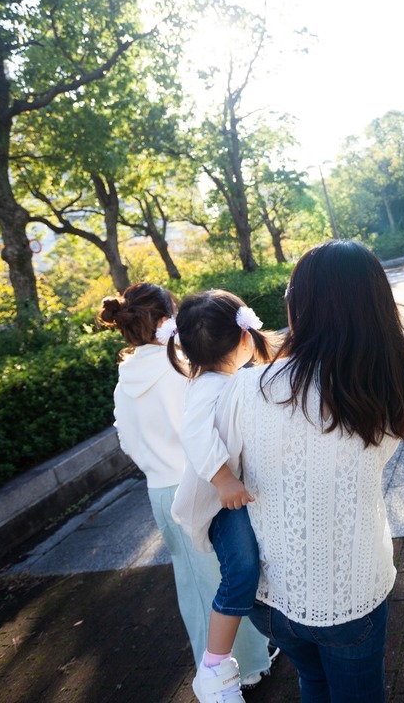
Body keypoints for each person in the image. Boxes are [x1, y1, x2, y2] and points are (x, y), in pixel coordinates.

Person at [215, 240, 404, 702]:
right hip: (351, 590)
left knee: (311, 681)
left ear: (300, 304)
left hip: (268, 592)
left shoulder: (247, 388)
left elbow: (214, 472)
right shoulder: (390, 386)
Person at [97, 284, 275, 703]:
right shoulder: (182, 368)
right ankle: (246, 668)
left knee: (194, 589)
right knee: (233, 575)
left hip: (160, 491)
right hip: (204, 487)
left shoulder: (126, 379)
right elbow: (203, 428)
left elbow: (126, 440)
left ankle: (211, 668)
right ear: (165, 320)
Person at [164, 289, 278, 703]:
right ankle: (213, 668)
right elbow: (194, 435)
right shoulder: (207, 387)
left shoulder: (233, 381)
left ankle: (267, 641)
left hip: (236, 497)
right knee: (242, 572)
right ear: (243, 337)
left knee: (258, 571)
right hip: (219, 504)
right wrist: (223, 479)